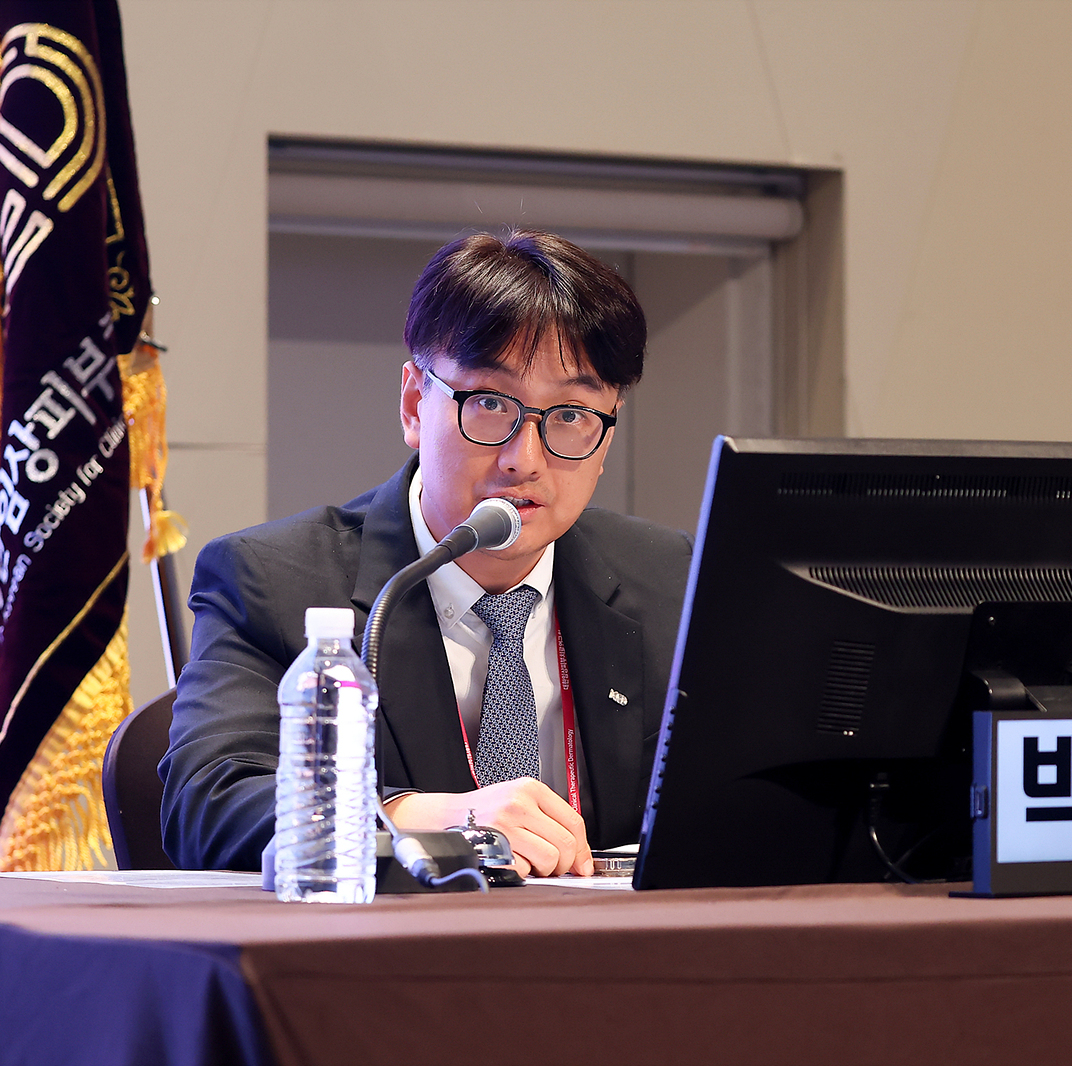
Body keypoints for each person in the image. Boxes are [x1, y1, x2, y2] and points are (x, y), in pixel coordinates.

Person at [159, 230, 692, 875]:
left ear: (606, 437)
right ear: (415, 404)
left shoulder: (670, 580)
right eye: (489, 403)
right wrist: (428, 819)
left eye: (572, 415)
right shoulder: (273, 582)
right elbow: (207, 801)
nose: (524, 460)